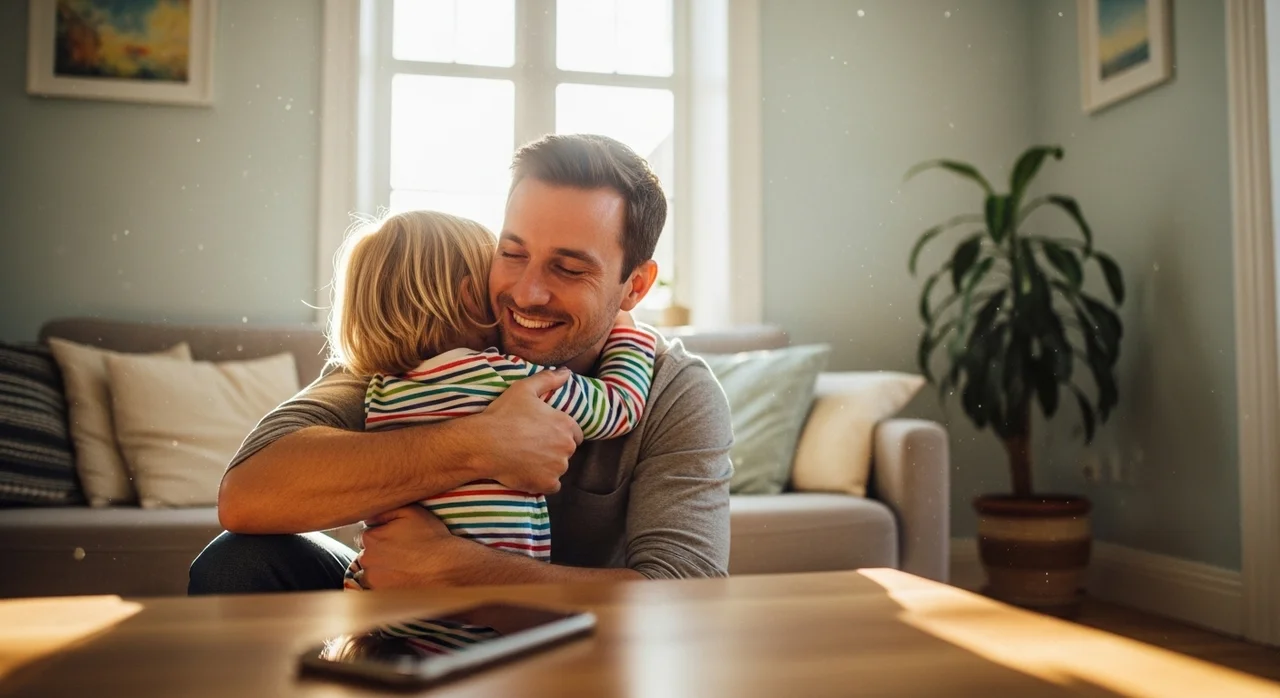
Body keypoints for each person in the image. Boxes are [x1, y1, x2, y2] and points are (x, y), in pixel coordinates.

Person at [188, 134, 733, 594]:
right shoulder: (434, 334)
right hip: (403, 616)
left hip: (581, 645)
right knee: (237, 560)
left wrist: (452, 567)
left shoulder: (676, 390)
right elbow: (248, 495)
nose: (526, 294)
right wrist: (479, 444)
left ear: (634, 285)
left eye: (568, 268)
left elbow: (687, 594)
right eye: (512, 253)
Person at [327, 208, 656, 590]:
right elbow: (619, 406)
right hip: (482, 618)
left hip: (388, 600)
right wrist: (630, 332)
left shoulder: (380, 391)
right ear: (471, 297)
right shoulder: (502, 374)